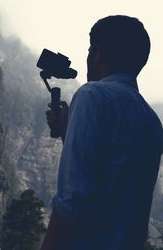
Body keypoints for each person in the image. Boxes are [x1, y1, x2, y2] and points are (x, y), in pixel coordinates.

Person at [41, 15, 163, 250]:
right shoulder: (152, 121)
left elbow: (73, 202)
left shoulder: (92, 95)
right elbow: (111, 178)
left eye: (89, 49)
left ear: (96, 54)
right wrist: (69, 132)